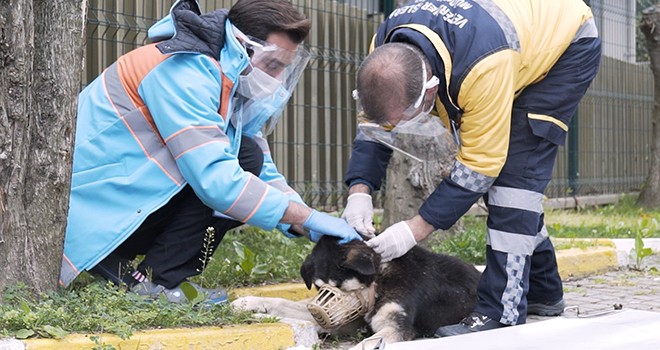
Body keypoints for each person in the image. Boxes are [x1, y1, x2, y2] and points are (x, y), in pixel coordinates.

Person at [59, 0, 361, 304]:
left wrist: (301, 221)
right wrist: (307, 215)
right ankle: (160, 279)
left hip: (123, 196)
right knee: (237, 164)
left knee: (246, 157)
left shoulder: (225, 77)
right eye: (272, 66)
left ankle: (151, 274)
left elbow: (262, 168)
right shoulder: (184, 71)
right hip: (90, 208)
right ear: (243, 47)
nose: (278, 79)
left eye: (285, 68)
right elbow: (217, 180)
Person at [343, 0, 601, 336]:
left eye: (406, 118)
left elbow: (481, 165)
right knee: (506, 191)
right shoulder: (385, 51)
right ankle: (544, 291)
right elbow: (375, 125)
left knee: (513, 184)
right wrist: (358, 190)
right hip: (505, 41)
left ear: (431, 90)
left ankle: (501, 312)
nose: (400, 126)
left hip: (565, 46)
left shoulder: (483, 67)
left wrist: (414, 230)